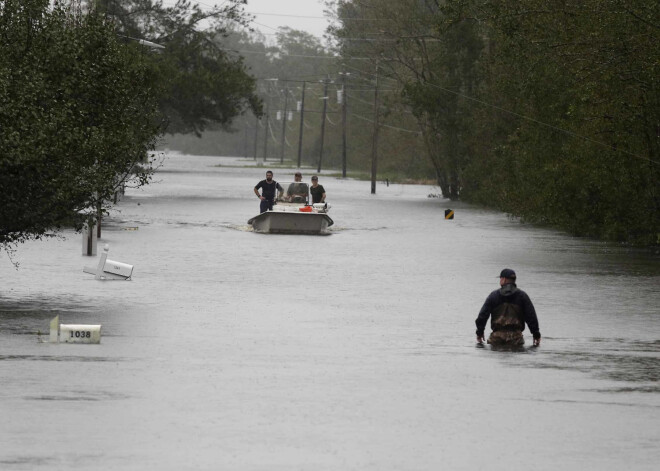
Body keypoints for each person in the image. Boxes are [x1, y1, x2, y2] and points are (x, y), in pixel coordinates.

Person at [475, 268, 541, 347]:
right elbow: (531, 317)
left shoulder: (493, 296)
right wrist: (536, 334)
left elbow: (482, 316)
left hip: (496, 339)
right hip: (516, 339)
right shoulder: (522, 296)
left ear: (504, 279)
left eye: (500, 278)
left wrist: (479, 332)